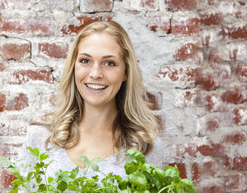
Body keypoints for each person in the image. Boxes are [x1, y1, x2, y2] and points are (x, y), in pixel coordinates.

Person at [21, 21, 163, 180]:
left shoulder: (145, 147)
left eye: (109, 63)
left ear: (126, 72)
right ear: (73, 66)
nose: (95, 74)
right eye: (85, 61)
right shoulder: (40, 136)